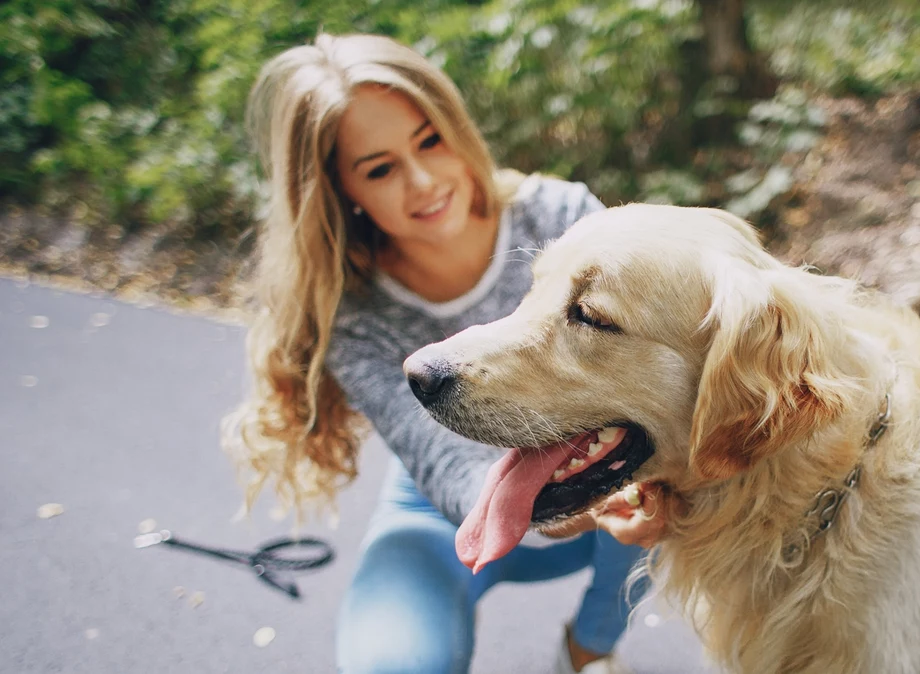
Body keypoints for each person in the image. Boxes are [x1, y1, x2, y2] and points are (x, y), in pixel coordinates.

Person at [221, 32, 660, 674]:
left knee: (663, 468)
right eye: (379, 168)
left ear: (457, 128)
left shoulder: (562, 215)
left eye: (429, 141)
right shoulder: (351, 310)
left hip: (599, 466)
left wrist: (620, 483)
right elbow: (453, 470)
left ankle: (589, 651)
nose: (423, 181)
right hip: (449, 510)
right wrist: (582, 501)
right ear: (340, 189)